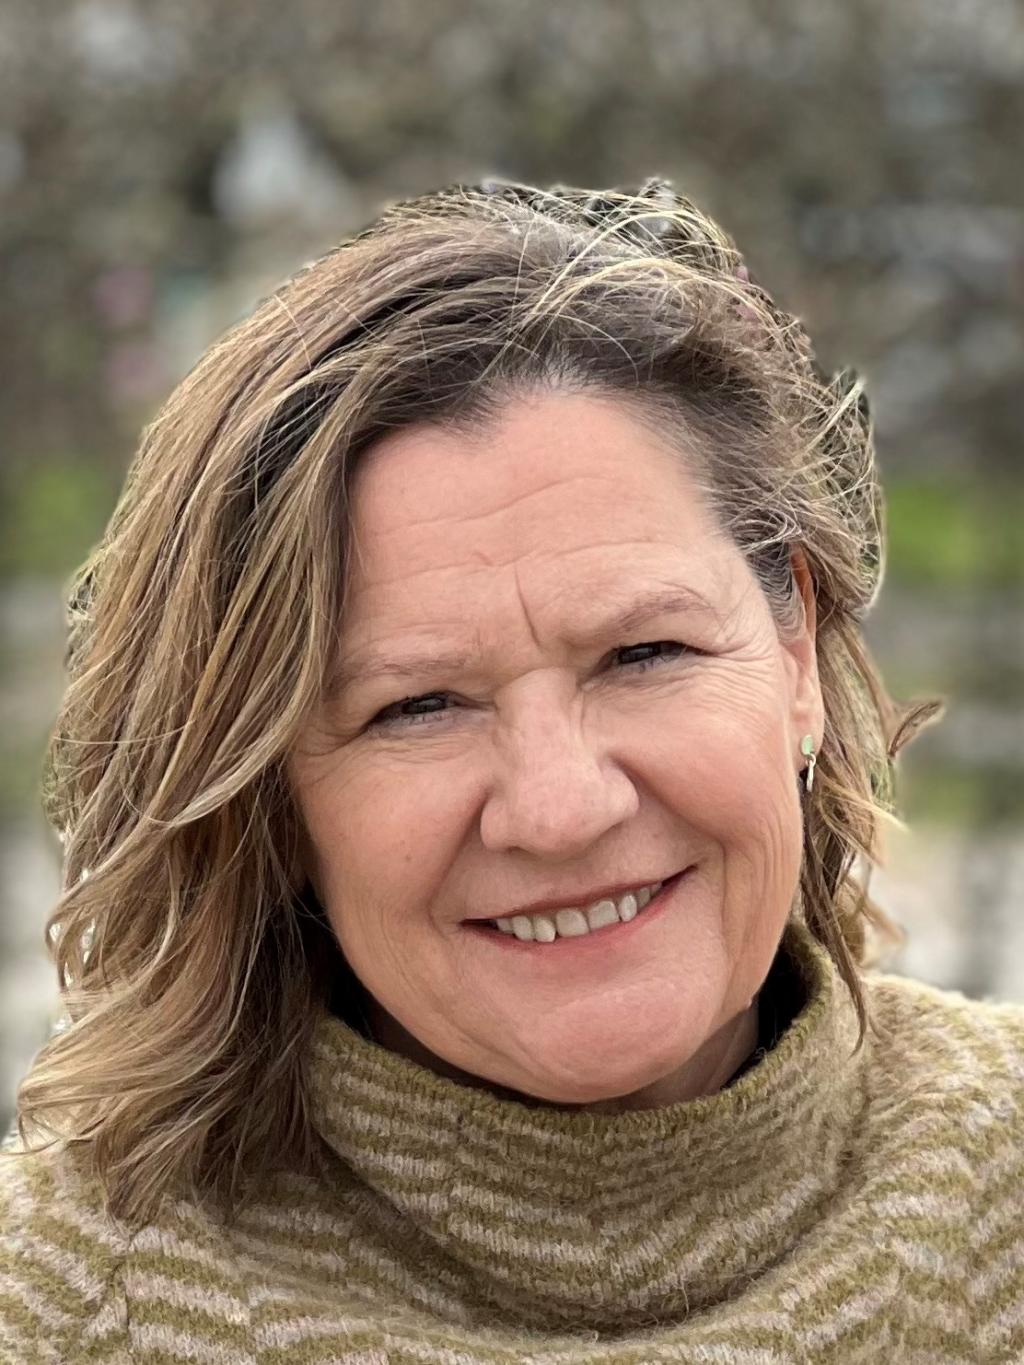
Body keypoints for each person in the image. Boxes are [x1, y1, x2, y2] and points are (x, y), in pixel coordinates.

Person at [2, 177, 1021, 1363]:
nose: (560, 807)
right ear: (266, 799)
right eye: (417, 705)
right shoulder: (60, 1312)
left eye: (644, 653)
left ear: (793, 647)